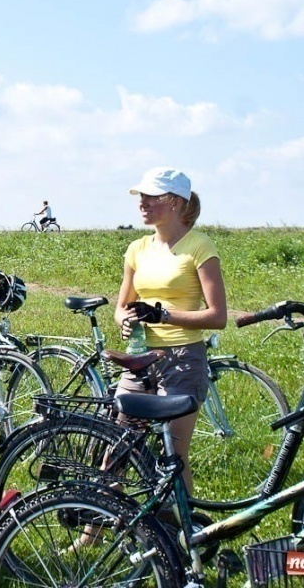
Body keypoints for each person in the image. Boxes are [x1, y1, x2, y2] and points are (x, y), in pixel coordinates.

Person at [117, 167, 227, 494]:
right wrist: (123, 320)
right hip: (139, 358)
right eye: (142, 196)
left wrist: (163, 316)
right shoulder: (137, 248)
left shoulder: (199, 246)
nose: (143, 203)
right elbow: (122, 305)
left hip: (182, 360)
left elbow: (217, 316)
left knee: (173, 458)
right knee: (119, 447)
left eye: (152, 197)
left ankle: (183, 533)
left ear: (176, 202)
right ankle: (92, 533)